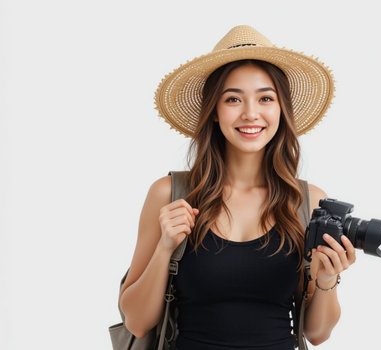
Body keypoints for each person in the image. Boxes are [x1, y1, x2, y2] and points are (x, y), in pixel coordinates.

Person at [118, 25, 357, 350]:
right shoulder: (170, 193)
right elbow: (136, 321)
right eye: (233, 98)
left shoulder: (307, 202)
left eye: (265, 98)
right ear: (214, 111)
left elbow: (317, 334)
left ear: (280, 109)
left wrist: (327, 280)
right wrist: (164, 248)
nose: (250, 113)